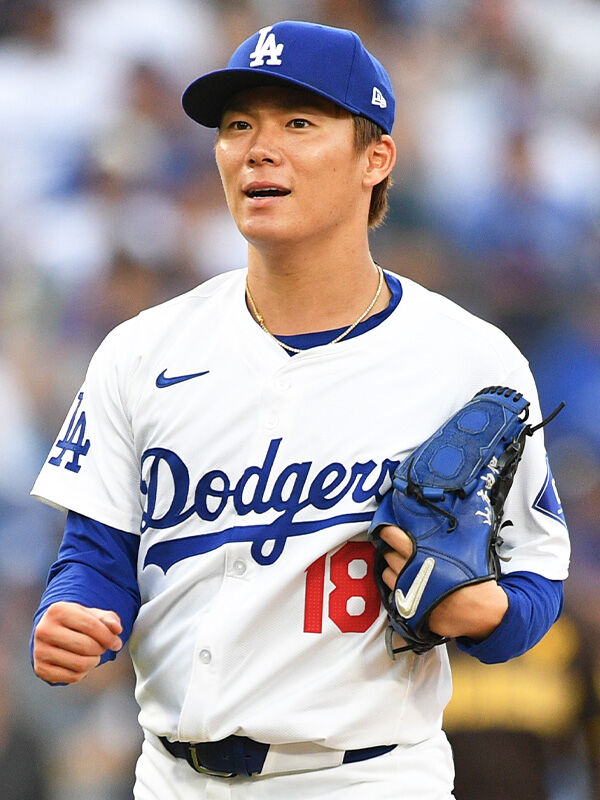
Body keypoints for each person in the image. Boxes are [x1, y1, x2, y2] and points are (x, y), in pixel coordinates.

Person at [30, 21, 570, 800]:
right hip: (170, 777)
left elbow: (538, 577)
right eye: (237, 125)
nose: (258, 149)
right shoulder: (142, 349)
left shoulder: (469, 360)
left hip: (368, 778)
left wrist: (491, 613)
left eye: (299, 123)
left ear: (375, 158)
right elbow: (98, 554)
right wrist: (73, 612)